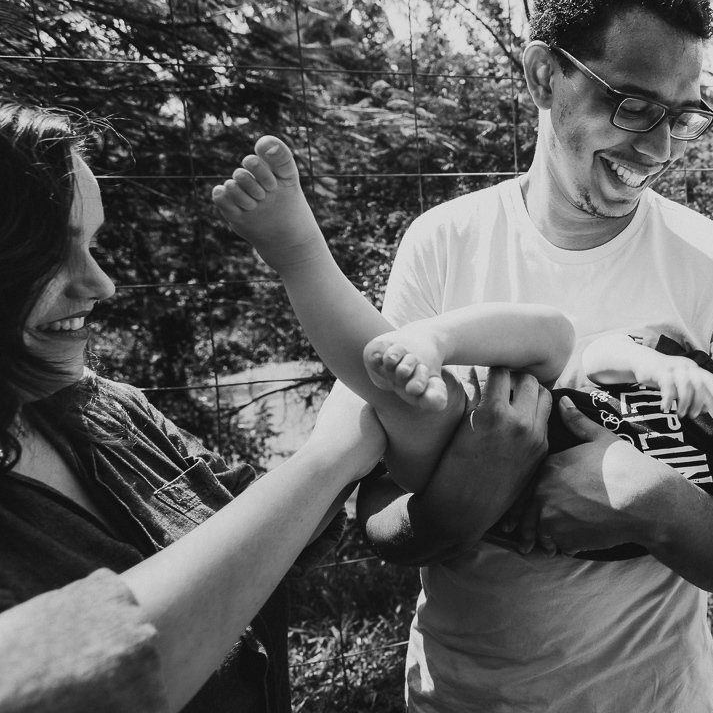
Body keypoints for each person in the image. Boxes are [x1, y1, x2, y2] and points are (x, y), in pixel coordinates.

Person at [209, 145, 713, 678]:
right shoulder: (702, 373)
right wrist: (654, 362)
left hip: (530, 535)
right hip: (505, 419)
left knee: (412, 405)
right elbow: (594, 357)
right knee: (511, 354)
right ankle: (400, 318)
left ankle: (304, 259)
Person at [0, 101, 433, 713]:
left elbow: (267, 530)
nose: (100, 284)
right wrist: (333, 455)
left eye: (93, 245)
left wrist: (302, 254)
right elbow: (76, 680)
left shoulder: (110, 412)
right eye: (51, 253)